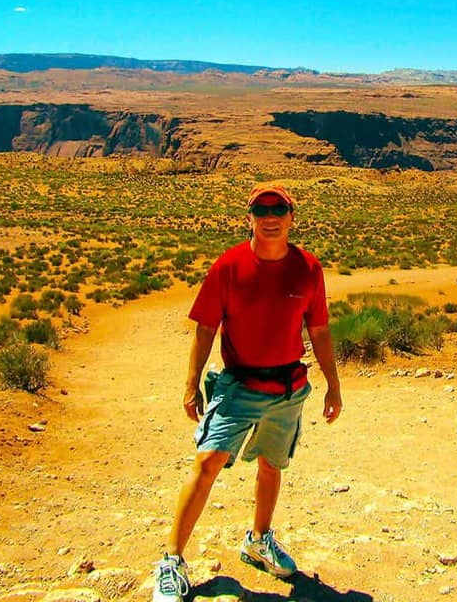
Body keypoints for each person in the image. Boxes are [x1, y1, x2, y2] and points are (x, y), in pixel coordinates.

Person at [152, 182, 343, 602]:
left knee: (272, 466)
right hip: (239, 383)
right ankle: (171, 561)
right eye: (261, 209)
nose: (270, 217)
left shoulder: (309, 269)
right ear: (250, 217)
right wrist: (190, 383)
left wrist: (333, 385)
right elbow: (205, 328)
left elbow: (320, 330)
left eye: (278, 209)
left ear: (292, 218)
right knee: (208, 461)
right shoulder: (228, 267)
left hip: (288, 387)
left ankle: (258, 540)